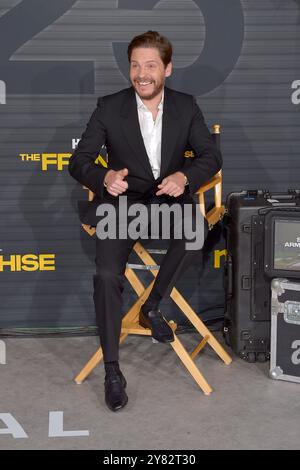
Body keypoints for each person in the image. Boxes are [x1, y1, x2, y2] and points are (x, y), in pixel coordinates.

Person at [68, 31, 222, 412]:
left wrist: (184, 177)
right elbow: (80, 160)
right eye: (135, 65)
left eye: (151, 65)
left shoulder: (186, 107)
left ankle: (151, 306)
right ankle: (112, 371)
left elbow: (209, 156)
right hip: (123, 205)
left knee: (195, 232)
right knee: (106, 275)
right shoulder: (108, 107)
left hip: (168, 202)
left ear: (167, 69)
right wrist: (103, 177)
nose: (142, 74)